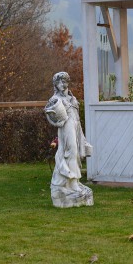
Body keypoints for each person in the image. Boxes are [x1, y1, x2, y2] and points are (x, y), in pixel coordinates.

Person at [45, 72, 93, 207]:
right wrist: (59, 121)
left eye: (64, 82)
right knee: (71, 152)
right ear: (55, 84)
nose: (62, 84)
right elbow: (51, 117)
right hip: (66, 128)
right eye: (59, 82)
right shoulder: (55, 99)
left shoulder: (72, 98)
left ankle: (75, 182)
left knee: (76, 153)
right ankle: (71, 183)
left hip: (76, 127)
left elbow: (76, 116)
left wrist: (81, 135)